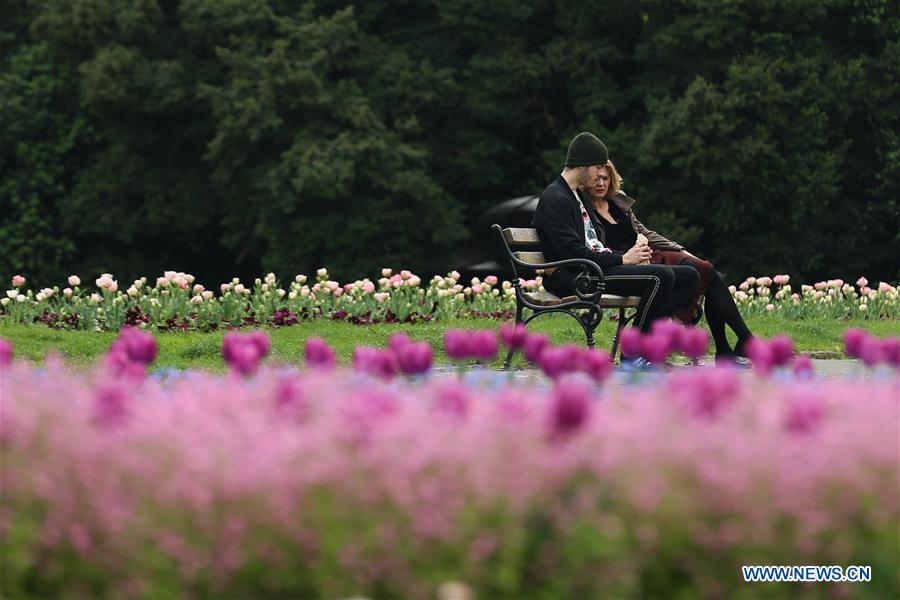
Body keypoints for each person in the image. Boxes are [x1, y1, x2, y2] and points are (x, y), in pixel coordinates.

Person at [583, 158, 755, 362]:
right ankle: (732, 347)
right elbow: (594, 247)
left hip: (650, 254)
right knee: (706, 274)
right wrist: (627, 257)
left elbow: (644, 232)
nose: (601, 183)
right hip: (627, 264)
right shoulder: (584, 210)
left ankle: (734, 345)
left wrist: (681, 250)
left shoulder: (617, 202)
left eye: (606, 178)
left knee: (706, 270)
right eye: (596, 179)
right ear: (585, 180)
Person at [532, 132, 700, 337]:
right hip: (576, 277)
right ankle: (634, 350)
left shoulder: (577, 196)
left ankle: (646, 342)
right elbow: (571, 253)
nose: (602, 173)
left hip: (594, 270)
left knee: (690, 276)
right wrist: (622, 258)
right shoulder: (555, 198)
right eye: (598, 167)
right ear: (582, 166)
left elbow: (593, 244)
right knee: (660, 276)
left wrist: (629, 256)